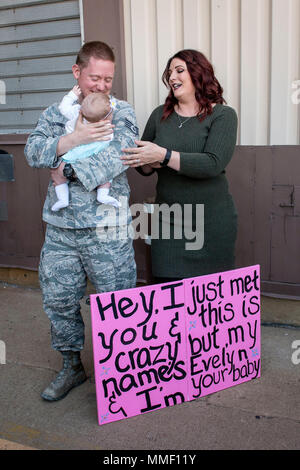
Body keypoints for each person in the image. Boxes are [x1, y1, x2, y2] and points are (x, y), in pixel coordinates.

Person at [24, 41, 138, 401]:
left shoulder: (121, 111)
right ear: (77, 72)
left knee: (118, 303)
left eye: (108, 78)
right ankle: (72, 367)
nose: (102, 85)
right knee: (59, 301)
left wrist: (66, 167)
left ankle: (122, 376)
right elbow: (32, 152)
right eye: (95, 78)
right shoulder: (57, 113)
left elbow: (121, 153)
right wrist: (74, 137)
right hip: (61, 232)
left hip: (108, 229)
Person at [121, 49, 238, 283]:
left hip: (212, 222)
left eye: (179, 70)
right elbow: (143, 166)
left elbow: (212, 164)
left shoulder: (223, 115)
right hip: (169, 221)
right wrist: (147, 161)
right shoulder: (159, 116)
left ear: (199, 74)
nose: (172, 77)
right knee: (168, 294)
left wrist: (164, 156)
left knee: (208, 303)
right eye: (169, 72)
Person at [52, 85, 121, 211]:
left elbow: (63, 108)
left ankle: (62, 199)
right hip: (97, 150)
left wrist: (72, 95)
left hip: (78, 151)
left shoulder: (77, 112)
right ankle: (103, 194)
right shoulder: (106, 125)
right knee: (106, 173)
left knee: (57, 173)